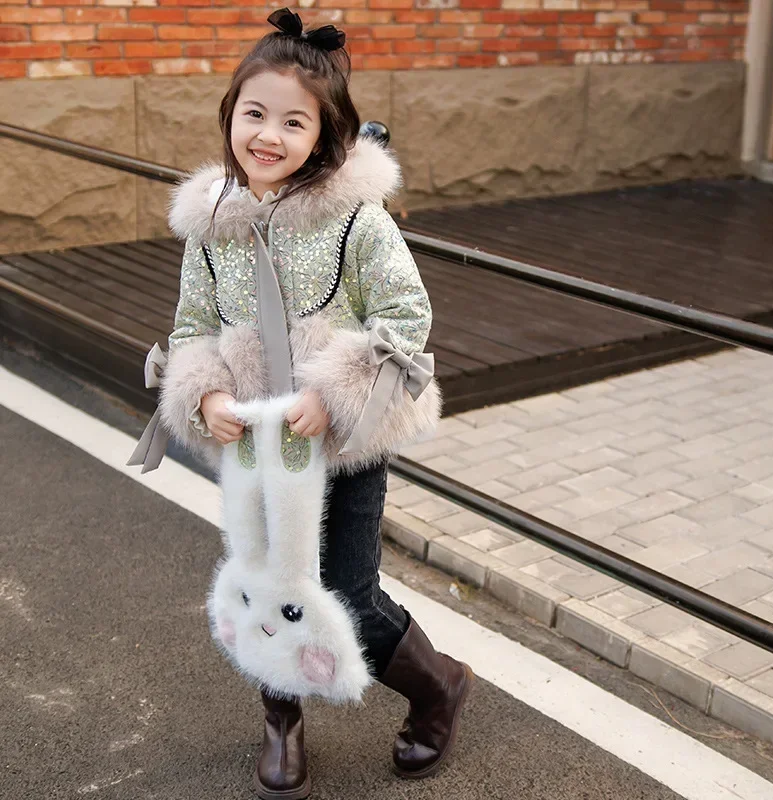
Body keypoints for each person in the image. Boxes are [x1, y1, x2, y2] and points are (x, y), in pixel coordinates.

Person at [155, 8, 473, 799]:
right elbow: (191, 325)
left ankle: (439, 687)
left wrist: (338, 394)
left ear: (326, 135)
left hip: (344, 444)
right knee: (266, 578)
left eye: (293, 121)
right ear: (231, 116)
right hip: (260, 447)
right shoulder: (211, 231)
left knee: (347, 591)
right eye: (254, 113)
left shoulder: (357, 221)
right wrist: (207, 393)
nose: (268, 135)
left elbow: (407, 317)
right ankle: (282, 721)